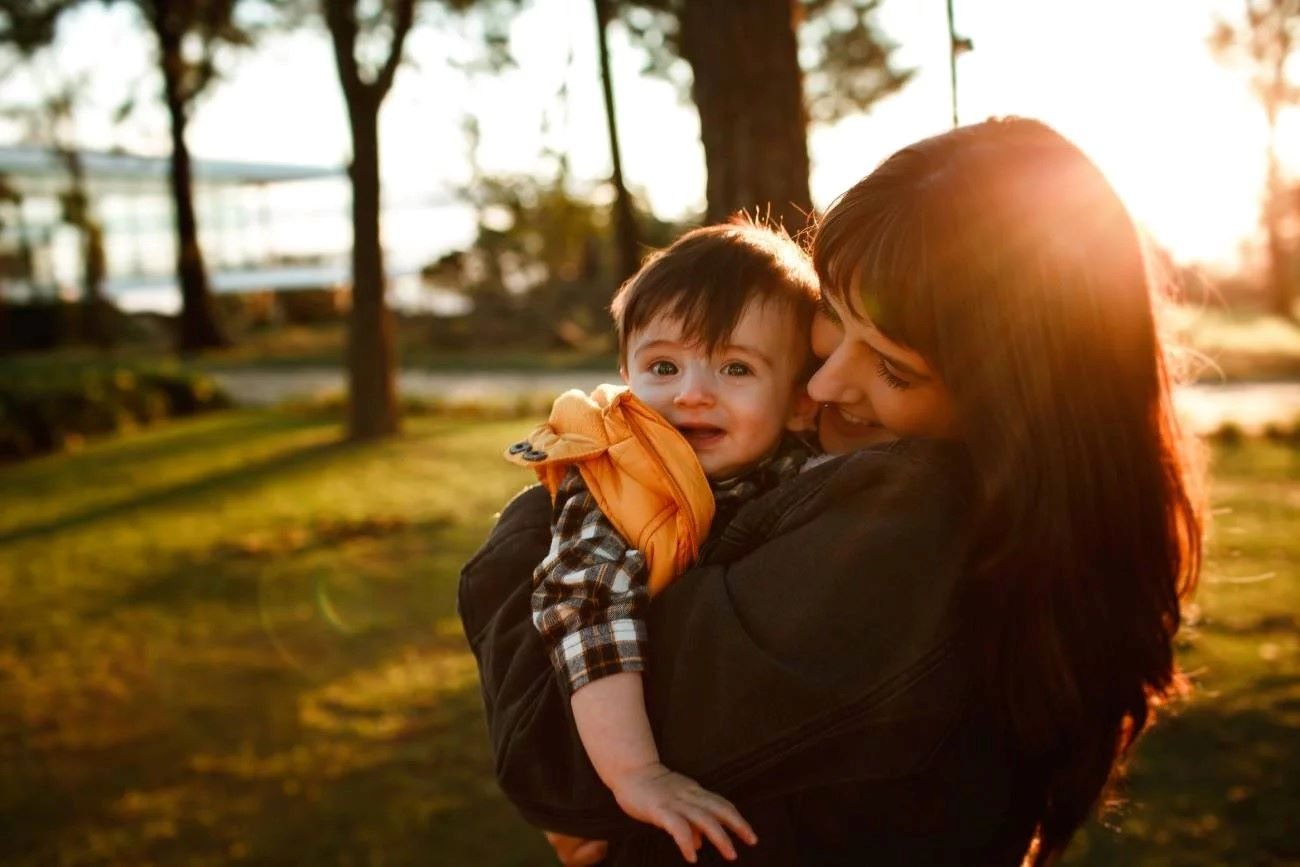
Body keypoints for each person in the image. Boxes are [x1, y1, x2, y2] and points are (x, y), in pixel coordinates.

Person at [459, 117, 1203, 866]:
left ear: (1015, 400)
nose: (823, 382)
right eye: (832, 319)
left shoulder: (912, 526)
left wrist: (545, 508)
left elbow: (548, 757)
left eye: (894, 369)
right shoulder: (991, 519)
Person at [503, 220, 820, 862]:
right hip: (609, 742)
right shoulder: (621, 482)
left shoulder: (800, 469)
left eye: (736, 367)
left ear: (799, 402)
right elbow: (584, 610)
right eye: (663, 365)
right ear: (625, 377)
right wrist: (633, 774)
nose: (692, 393)